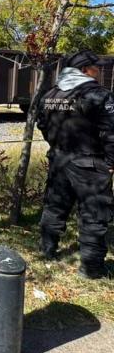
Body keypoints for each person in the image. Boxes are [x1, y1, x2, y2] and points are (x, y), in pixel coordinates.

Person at [37, 49, 114, 279]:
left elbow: (42, 125)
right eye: (95, 68)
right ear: (83, 70)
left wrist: (57, 146)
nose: (98, 72)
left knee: (55, 206)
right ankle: (91, 269)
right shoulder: (99, 95)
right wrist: (111, 162)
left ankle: (46, 250)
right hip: (91, 165)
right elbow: (111, 132)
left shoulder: (50, 94)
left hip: (60, 160)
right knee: (94, 215)